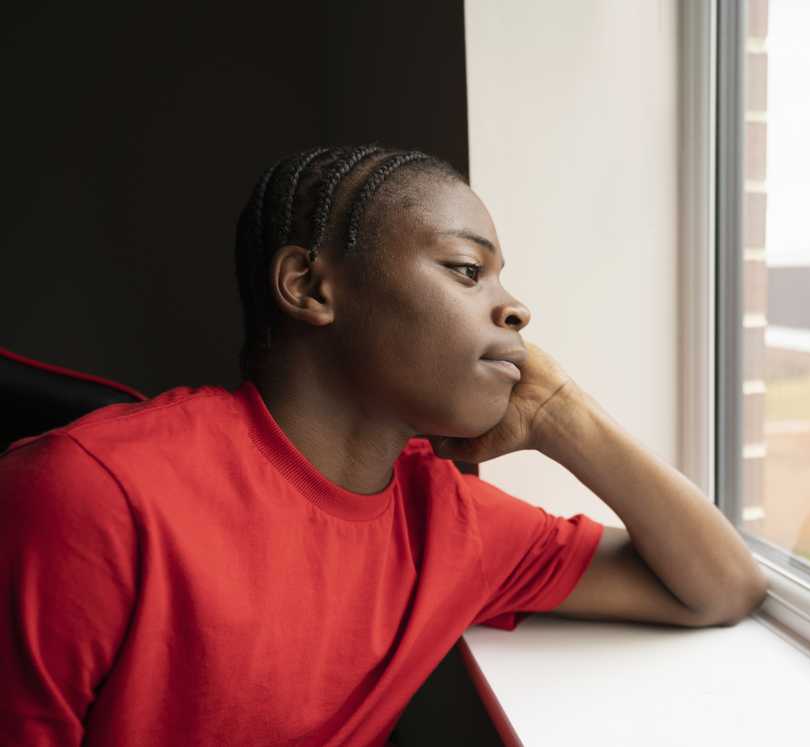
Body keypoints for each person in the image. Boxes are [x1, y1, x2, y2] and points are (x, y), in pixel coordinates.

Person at [0, 144, 768, 745]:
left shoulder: (451, 521)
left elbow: (720, 584)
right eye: (467, 270)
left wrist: (563, 414)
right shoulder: (90, 493)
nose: (516, 308)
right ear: (310, 287)